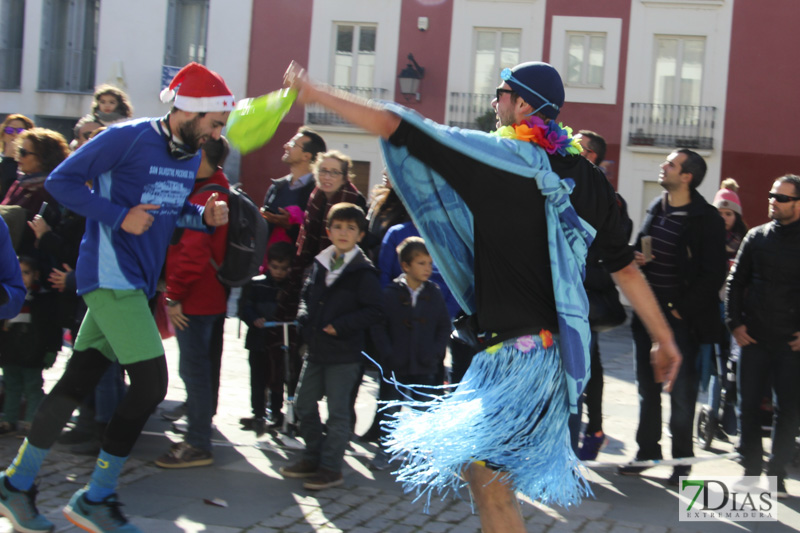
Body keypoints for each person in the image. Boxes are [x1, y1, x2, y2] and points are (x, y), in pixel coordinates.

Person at [284, 60, 681, 532]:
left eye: (501, 94)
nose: (494, 104)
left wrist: (315, 93)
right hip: (528, 352)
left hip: (526, 355)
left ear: (524, 105)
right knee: (485, 474)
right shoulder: (589, 180)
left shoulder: (494, 160)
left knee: (488, 477)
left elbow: (397, 124)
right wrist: (663, 339)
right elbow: (624, 267)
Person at [0, 61, 233, 533]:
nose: (215, 135)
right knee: (150, 385)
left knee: (76, 383)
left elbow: (166, 213)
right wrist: (118, 215)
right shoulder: (126, 136)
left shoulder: (189, 155)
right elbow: (62, 182)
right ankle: (97, 498)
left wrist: (200, 215)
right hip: (109, 277)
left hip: (138, 284)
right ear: (189, 110)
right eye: (214, 124)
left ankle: (16, 484)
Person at [620, 149, 727, 485]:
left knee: (681, 393)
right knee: (646, 389)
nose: (662, 166)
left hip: (682, 321)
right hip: (646, 316)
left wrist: (681, 310)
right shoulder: (658, 205)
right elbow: (644, 244)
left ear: (687, 177)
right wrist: (638, 256)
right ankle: (646, 452)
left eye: (670, 164)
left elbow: (714, 274)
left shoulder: (706, 218)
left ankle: (682, 463)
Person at [279, 203, 382, 491]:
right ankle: (312, 456)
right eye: (338, 227)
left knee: (338, 413)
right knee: (303, 403)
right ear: (328, 231)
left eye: (351, 228)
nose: (343, 232)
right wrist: (302, 314)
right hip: (316, 349)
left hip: (344, 353)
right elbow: (305, 294)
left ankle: (330, 467)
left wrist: (342, 325)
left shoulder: (363, 271)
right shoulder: (320, 262)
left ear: (360, 234)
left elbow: (374, 311)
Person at [155, 136, 232, 469]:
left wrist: (174, 295)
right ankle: (199, 432)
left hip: (194, 298)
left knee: (194, 371)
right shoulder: (218, 185)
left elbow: (191, 253)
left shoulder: (206, 195)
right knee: (201, 368)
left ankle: (198, 442)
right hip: (210, 294)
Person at [726, 174, 800, 499]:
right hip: (753, 338)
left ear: (798, 204)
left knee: (789, 411)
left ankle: (777, 475)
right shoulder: (756, 236)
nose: (773, 200)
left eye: (781, 197)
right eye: (772, 195)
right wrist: (734, 324)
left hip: (790, 344)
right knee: (747, 407)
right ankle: (750, 470)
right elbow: (735, 284)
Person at [571, 129, 633, 460]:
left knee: (586, 367)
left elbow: (617, 246)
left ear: (591, 155)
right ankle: (587, 430)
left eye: (577, 146)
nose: (568, 148)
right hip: (562, 292)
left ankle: (591, 431)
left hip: (586, 295)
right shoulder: (563, 187)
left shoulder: (609, 198)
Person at [369, 237, 450, 470]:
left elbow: (444, 326)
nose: (428, 268)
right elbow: (379, 326)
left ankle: (422, 453)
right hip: (396, 363)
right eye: (421, 263)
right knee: (390, 407)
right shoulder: (390, 293)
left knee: (423, 409)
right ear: (406, 266)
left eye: (429, 263)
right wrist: (387, 352)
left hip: (425, 364)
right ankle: (385, 450)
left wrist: (435, 353)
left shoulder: (433, 293)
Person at [0, 256, 61, 437]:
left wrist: (52, 350)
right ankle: (8, 421)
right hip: (10, 351)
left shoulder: (44, 300)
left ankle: (31, 422)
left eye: (25, 273)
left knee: (33, 387)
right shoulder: (6, 297)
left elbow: (52, 327)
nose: (21, 277)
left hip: (34, 352)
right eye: (17, 273)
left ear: (36, 275)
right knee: (11, 386)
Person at [238, 241, 294, 433]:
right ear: (268, 264)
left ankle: (276, 412)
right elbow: (245, 307)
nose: (279, 272)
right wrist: (254, 319)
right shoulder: (257, 284)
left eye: (284, 268)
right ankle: (258, 413)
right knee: (258, 378)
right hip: (258, 340)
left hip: (279, 342)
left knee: (277, 377)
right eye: (275, 267)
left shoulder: (291, 289)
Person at [260, 127, 326, 264]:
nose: (286, 146)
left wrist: (291, 226)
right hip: (269, 268)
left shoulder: (319, 192)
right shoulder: (276, 187)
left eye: (293, 144)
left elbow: (318, 235)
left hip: (299, 267)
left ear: (306, 156)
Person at [0, 114, 34, 200]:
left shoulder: (31, 160)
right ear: (3, 134)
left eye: (20, 131)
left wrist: (9, 160)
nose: (14, 134)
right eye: (9, 130)